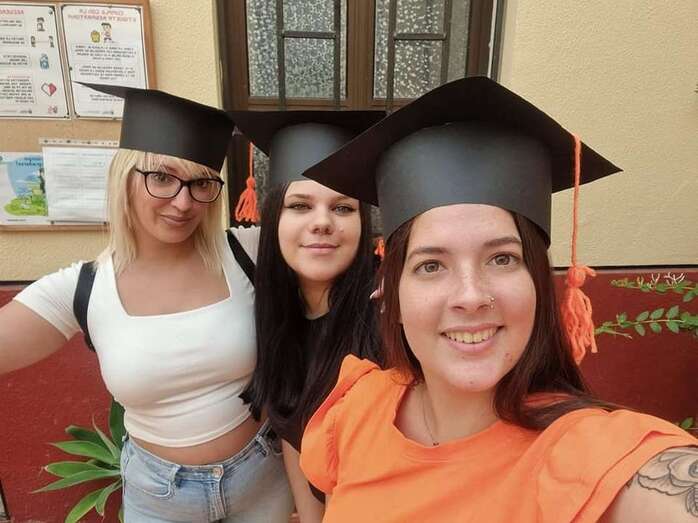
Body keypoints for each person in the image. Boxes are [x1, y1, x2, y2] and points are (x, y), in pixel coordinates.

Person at [298, 76, 698, 522]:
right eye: (431, 265)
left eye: (502, 259)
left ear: (538, 283)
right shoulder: (357, 408)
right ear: (388, 294)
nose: (471, 296)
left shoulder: (582, 454)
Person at [0, 84, 293, 522]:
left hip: (261, 481)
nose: (183, 202)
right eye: (162, 178)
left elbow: (327, 249)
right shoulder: (82, 288)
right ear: (125, 176)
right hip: (159, 499)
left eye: (201, 183)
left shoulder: (246, 252)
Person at [230, 110, 385, 522]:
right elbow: (293, 433)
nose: (322, 223)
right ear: (273, 219)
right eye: (300, 205)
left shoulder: (390, 315)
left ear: (362, 222)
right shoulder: (279, 316)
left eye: (343, 208)